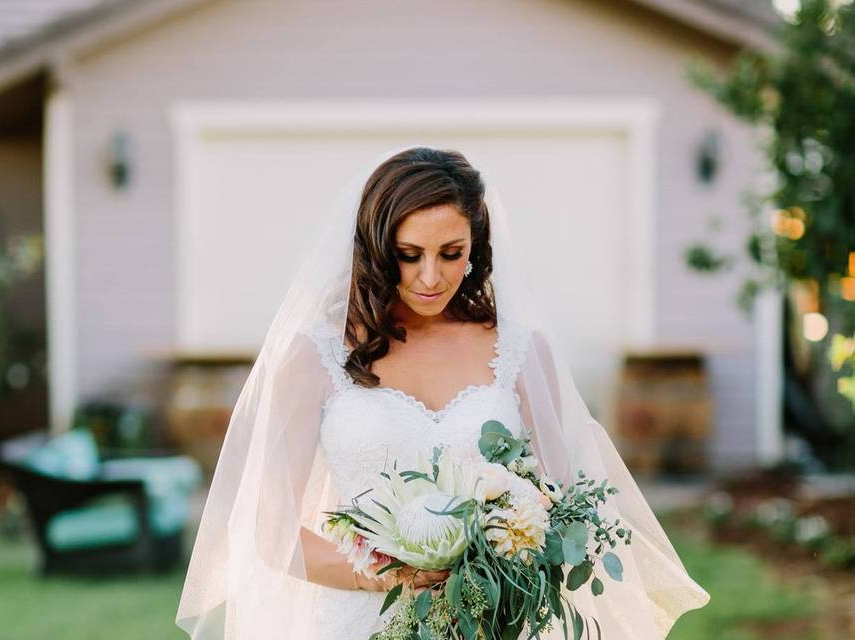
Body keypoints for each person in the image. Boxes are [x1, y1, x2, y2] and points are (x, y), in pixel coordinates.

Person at [176, 146, 710, 639]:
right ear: (378, 248)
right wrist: (388, 578)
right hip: (362, 622)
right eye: (409, 254)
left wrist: (505, 551)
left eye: (451, 253)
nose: (430, 277)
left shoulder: (521, 350)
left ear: (476, 247)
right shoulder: (316, 354)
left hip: (491, 621)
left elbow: (566, 507)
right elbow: (270, 530)